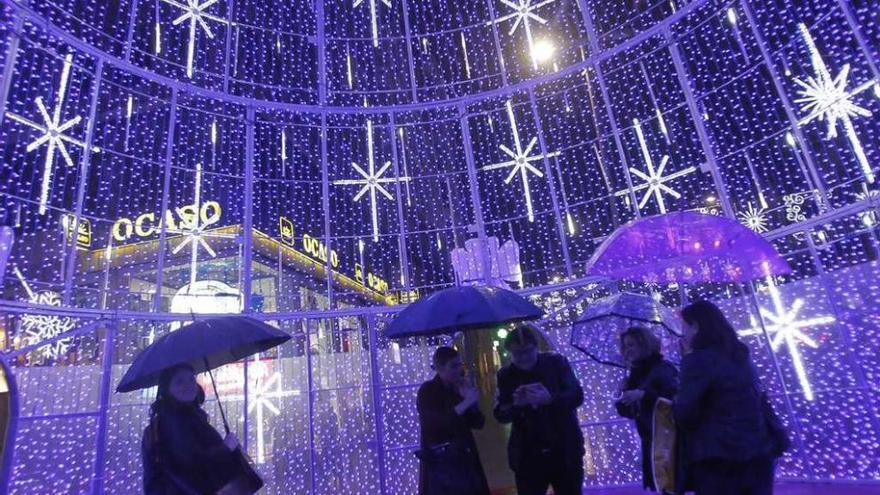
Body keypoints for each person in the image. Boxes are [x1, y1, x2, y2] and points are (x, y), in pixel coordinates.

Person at [674, 300, 778, 495]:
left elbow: (685, 414)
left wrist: (687, 364)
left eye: (685, 328)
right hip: (758, 449)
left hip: (718, 457)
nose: (684, 334)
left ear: (695, 326)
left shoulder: (697, 361)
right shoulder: (740, 354)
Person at [494, 324, 585, 495]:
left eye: (527, 351)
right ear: (510, 353)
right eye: (517, 353)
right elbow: (500, 413)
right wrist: (516, 405)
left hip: (564, 449)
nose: (523, 358)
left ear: (536, 347)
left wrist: (550, 399)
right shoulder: (505, 375)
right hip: (528, 455)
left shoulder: (556, 362)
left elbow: (577, 395)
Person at [142, 364, 245, 494]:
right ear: (167, 389)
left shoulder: (188, 416)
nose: (189, 385)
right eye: (180, 381)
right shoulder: (173, 421)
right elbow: (191, 464)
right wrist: (226, 448)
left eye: (191, 379)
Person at [416, 346, 490, 495]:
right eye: (453, 366)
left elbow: (478, 422)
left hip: (465, 458)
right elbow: (435, 424)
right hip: (442, 461)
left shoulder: (458, 388)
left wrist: (472, 403)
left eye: (459, 365)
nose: (459, 370)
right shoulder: (428, 391)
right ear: (440, 368)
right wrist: (466, 402)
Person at [615, 326, 679, 493]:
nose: (628, 350)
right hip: (650, 440)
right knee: (662, 486)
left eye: (632, 345)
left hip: (667, 440)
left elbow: (672, 397)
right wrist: (622, 394)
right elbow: (628, 412)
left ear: (645, 344)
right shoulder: (634, 374)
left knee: (670, 484)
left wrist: (643, 394)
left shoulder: (663, 368)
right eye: (625, 346)